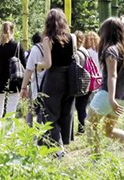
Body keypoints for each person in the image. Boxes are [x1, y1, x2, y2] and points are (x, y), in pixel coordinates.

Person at [87, 17, 124, 149]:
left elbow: (112, 75)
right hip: (122, 97)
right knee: (108, 130)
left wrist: (111, 98)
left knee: (89, 124)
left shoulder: (111, 50)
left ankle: (96, 157)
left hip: (108, 95)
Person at [36, 9, 75, 157]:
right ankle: (62, 144)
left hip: (54, 79)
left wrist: (39, 66)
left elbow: (48, 64)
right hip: (70, 79)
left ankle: (56, 148)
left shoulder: (48, 40)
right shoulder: (72, 37)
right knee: (65, 113)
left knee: (50, 114)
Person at [0, 21, 26, 133]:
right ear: (13, 30)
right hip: (14, 80)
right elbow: (24, 65)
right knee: (11, 109)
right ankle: (9, 133)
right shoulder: (17, 46)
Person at [20, 32, 44, 127]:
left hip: (37, 83)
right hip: (51, 82)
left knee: (35, 108)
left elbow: (29, 69)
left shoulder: (35, 49)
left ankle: (32, 129)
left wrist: (23, 87)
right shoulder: (52, 45)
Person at [73, 30, 91, 135]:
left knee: (76, 107)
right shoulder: (85, 51)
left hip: (78, 82)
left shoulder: (75, 52)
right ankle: (82, 128)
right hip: (87, 81)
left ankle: (80, 129)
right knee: (82, 107)